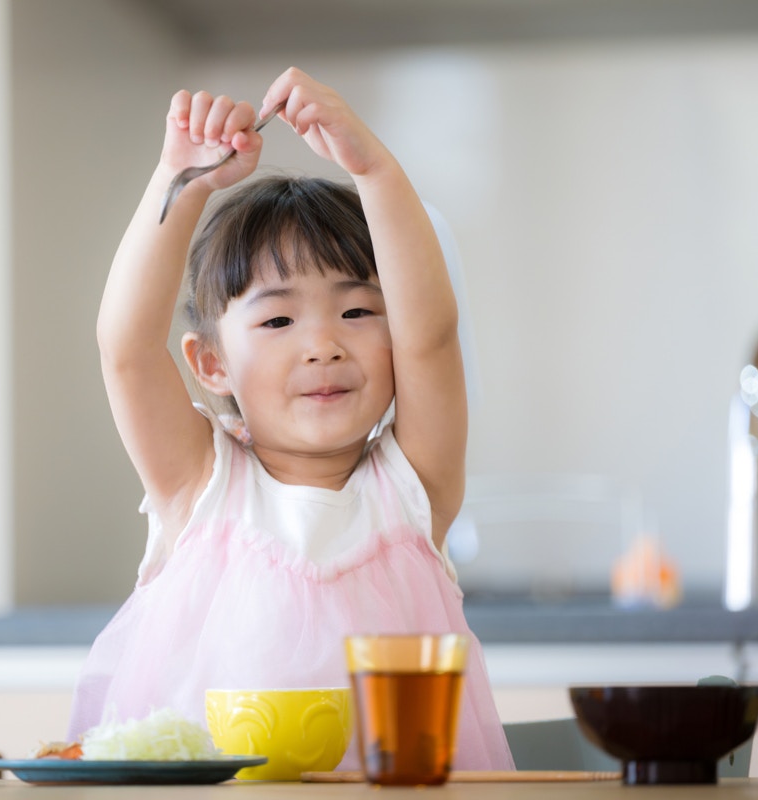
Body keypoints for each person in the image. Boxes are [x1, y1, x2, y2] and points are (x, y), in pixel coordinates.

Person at [68, 66, 513, 771]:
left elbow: (432, 334)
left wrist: (374, 168)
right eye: (277, 318)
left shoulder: (410, 490)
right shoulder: (202, 485)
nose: (324, 345)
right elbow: (124, 350)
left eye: (359, 311)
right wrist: (181, 183)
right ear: (210, 364)